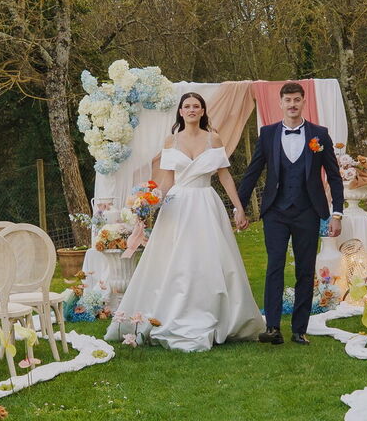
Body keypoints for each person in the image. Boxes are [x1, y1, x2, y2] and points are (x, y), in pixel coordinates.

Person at [104, 92, 264, 352]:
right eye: (187, 106)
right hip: (177, 205)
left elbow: (224, 176)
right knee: (175, 258)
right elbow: (167, 180)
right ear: (180, 111)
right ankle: (172, 310)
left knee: (209, 258)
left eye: (196, 106)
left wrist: (238, 208)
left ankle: (216, 312)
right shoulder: (171, 141)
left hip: (205, 202)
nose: (191, 110)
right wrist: (149, 204)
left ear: (202, 111)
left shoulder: (214, 138)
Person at [235, 82, 345, 346]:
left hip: (309, 211)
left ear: (303, 102)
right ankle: (272, 327)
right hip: (276, 211)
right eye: (288, 100)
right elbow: (252, 172)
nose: (292, 104)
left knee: (305, 270)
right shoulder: (268, 133)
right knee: (275, 266)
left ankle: (299, 329)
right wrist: (239, 207)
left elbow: (334, 175)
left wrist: (337, 213)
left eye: (297, 100)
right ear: (280, 103)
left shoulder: (319, 134)